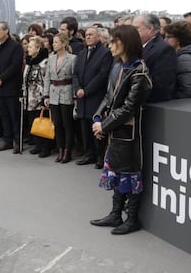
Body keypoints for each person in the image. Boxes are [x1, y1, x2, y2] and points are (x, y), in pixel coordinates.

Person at [90, 25, 152, 235]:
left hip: (130, 134)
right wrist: (98, 118)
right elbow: (108, 96)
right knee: (116, 171)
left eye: (114, 40)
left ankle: (131, 219)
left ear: (126, 42)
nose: (110, 45)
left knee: (129, 174)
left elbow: (129, 108)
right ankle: (116, 214)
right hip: (115, 131)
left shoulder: (139, 70)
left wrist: (104, 125)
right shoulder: (118, 66)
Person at [73, 27, 113, 169]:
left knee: (97, 127)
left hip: (95, 96)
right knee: (84, 127)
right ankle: (88, 154)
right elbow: (76, 73)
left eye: (91, 34)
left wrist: (86, 90)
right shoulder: (82, 53)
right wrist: (77, 88)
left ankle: (100, 157)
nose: (88, 37)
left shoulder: (105, 53)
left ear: (98, 37)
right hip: (81, 97)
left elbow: (102, 76)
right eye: (86, 35)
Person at [0, 21, 24, 154]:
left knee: (14, 116)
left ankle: (17, 142)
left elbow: (15, 66)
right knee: (4, 116)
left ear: (6, 31)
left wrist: (1, 78)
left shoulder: (15, 47)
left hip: (11, 87)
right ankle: (7, 141)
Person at [43, 33, 76, 163]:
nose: (53, 44)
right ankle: (60, 149)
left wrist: (74, 97)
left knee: (67, 124)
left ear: (64, 43)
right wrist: (46, 95)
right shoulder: (51, 58)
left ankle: (68, 151)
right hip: (53, 93)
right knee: (57, 124)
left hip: (67, 91)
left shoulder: (72, 58)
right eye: (53, 42)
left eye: (56, 42)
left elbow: (75, 79)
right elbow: (47, 78)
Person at [132, 14, 177, 103]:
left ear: (150, 29)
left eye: (136, 28)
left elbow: (161, 85)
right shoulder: (137, 46)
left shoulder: (164, 49)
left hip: (150, 105)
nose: (132, 32)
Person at [23, 36, 51, 157]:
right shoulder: (29, 61)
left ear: (38, 48)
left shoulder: (44, 62)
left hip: (40, 98)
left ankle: (45, 148)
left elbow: (46, 81)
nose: (27, 48)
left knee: (42, 122)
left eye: (30, 46)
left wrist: (45, 96)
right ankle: (37, 145)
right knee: (33, 122)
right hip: (29, 97)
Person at [163, 21, 191, 98]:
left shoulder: (185, 59)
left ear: (178, 40)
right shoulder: (180, 56)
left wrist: (171, 100)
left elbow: (187, 91)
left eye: (168, 37)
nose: (165, 40)